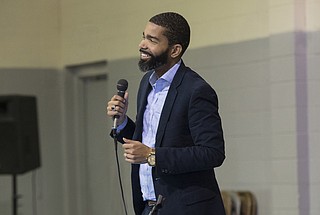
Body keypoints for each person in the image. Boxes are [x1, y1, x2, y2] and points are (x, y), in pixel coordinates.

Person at [106, 12, 226, 215]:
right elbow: (149, 139)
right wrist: (123, 121)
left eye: (152, 40)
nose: (142, 44)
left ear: (175, 50)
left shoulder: (196, 90)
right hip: (149, 206)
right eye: (144, 36)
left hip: (185, 209)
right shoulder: (147, 83)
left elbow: (212, 153)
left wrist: (152, 155)